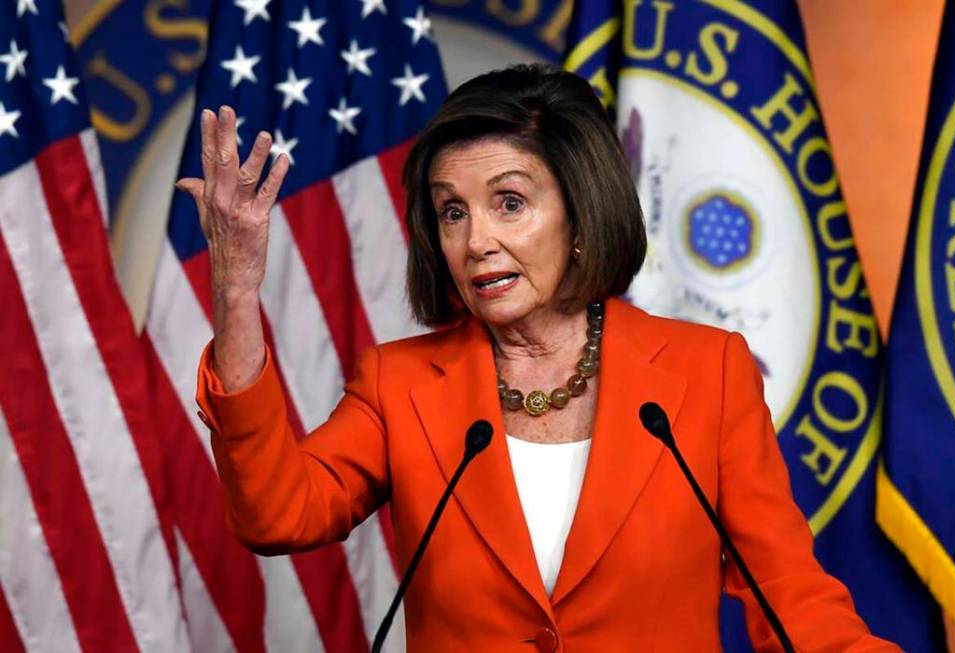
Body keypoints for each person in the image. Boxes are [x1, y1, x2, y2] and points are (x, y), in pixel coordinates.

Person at [182, 64, 898, 651]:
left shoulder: (704, 375)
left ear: (581, 215)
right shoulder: (398, 385)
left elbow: (791, 602)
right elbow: (277, 514)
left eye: (510, 202)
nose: (476, 241)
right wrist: (237, 294)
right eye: (453, 211)